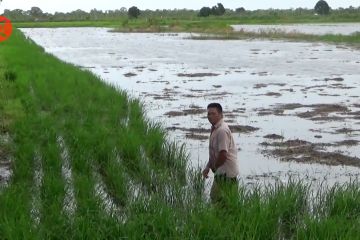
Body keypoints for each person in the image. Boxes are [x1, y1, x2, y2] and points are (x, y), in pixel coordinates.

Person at [202, 103, 239, 203]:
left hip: (227, 174)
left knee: (223, 202)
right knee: (217, 199)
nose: (210, 116)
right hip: (221, 172)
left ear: (221, 114)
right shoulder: (215, 128)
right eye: (208, 114)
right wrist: (208, 167)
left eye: (213, 113)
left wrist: (214, 166)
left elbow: (223, 154)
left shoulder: (222, 130)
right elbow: (214, 152)